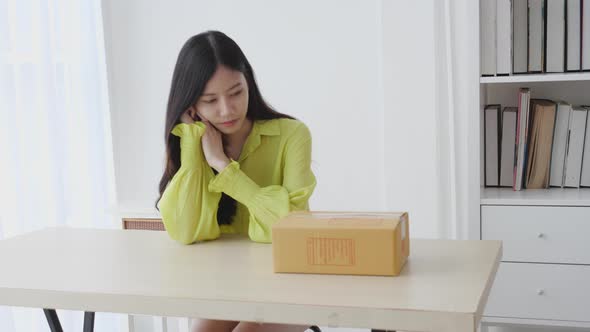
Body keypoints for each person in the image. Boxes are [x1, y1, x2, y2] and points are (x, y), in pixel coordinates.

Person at [155, 31, 317, 332]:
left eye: (235, 93)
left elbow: (290, 227)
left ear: (249, 85)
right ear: (191, 106)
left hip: (292, 283)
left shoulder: (292, 135)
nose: (227, 110)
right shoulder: (194, 143)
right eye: (210, 100)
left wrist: (223, 167)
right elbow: (186, 231)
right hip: (227, 286)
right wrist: (193, 146)